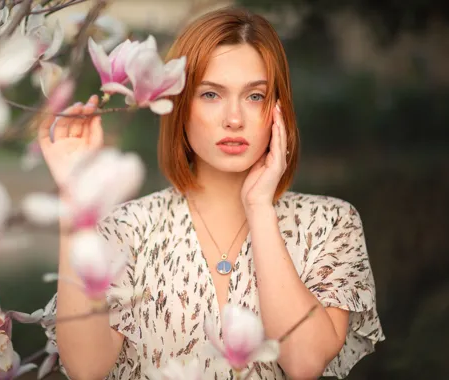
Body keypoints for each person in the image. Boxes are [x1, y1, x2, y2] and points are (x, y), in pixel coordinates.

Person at [37, 6, 385, 380]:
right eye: (211, 94)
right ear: (180, 106)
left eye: (255, 96)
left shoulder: (330, 224)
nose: (234, 118)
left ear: (279, 109)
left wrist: (260, 208)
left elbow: (304, 363)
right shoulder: (125, 229)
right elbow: (86, 368)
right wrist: (76, 197)